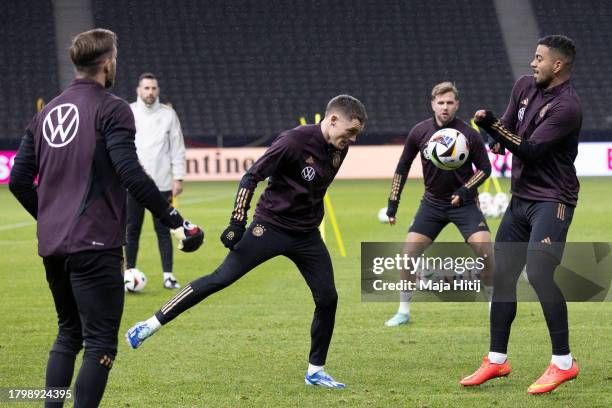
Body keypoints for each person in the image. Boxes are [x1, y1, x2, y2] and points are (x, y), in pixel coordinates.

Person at [9, 28, 203, 407]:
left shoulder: (47, 112)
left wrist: (50, 218)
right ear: (108, 62)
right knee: (98, 341)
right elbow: (130, 173)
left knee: (68, 334)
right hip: (95, 244)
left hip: (54, 246)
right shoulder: (111, 108)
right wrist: (176, 220)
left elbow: (18, 180)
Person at [126, 95, 367, 389]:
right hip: (270, 227)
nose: (352, 139)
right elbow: (251, 176)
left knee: (328, 298)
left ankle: (315, 371)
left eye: (356, 134)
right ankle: (149, 324)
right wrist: (237, 222)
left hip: (306, 236)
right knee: (220, 278)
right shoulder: (291, 141)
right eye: (350, 131)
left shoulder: (338, 149)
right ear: (332, 120)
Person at [460, 35, 581, 394]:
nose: (533, 63)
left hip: (553, 200)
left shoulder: (568, 106)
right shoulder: (524, 86)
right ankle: (497, 360)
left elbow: (529, 150)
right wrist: (495, 136)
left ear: (557, 66)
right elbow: (509, 132)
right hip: (520, 199)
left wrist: (491, 125)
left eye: (539, 58)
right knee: (504, 275)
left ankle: (564, 363)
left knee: (540, 273)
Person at [384, 82, 494, 327]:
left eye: (450, 103)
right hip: (432, 204)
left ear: (457, 105)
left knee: (485, 250)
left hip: (463, 204)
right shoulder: (419, 132)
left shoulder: (469, 134)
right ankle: (403, 311)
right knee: (408, 255)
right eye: (441, 103)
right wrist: (393, 204)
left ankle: (493, 305)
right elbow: (402, 168)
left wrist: (465, 191)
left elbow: (485, 169)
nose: (445, 107)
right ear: (433, 104)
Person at [126, 72, 186, 290]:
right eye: (146, 88)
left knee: (163, 230)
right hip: (133, 183)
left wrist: (178, 177)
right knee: (131, 230)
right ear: (138, 90)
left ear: (157, 91)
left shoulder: (169, 115)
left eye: (153, 88)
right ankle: (128, 273)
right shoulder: (129, 112)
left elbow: (177, 148)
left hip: (161, 184)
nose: (150, 92)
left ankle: (168, 276)